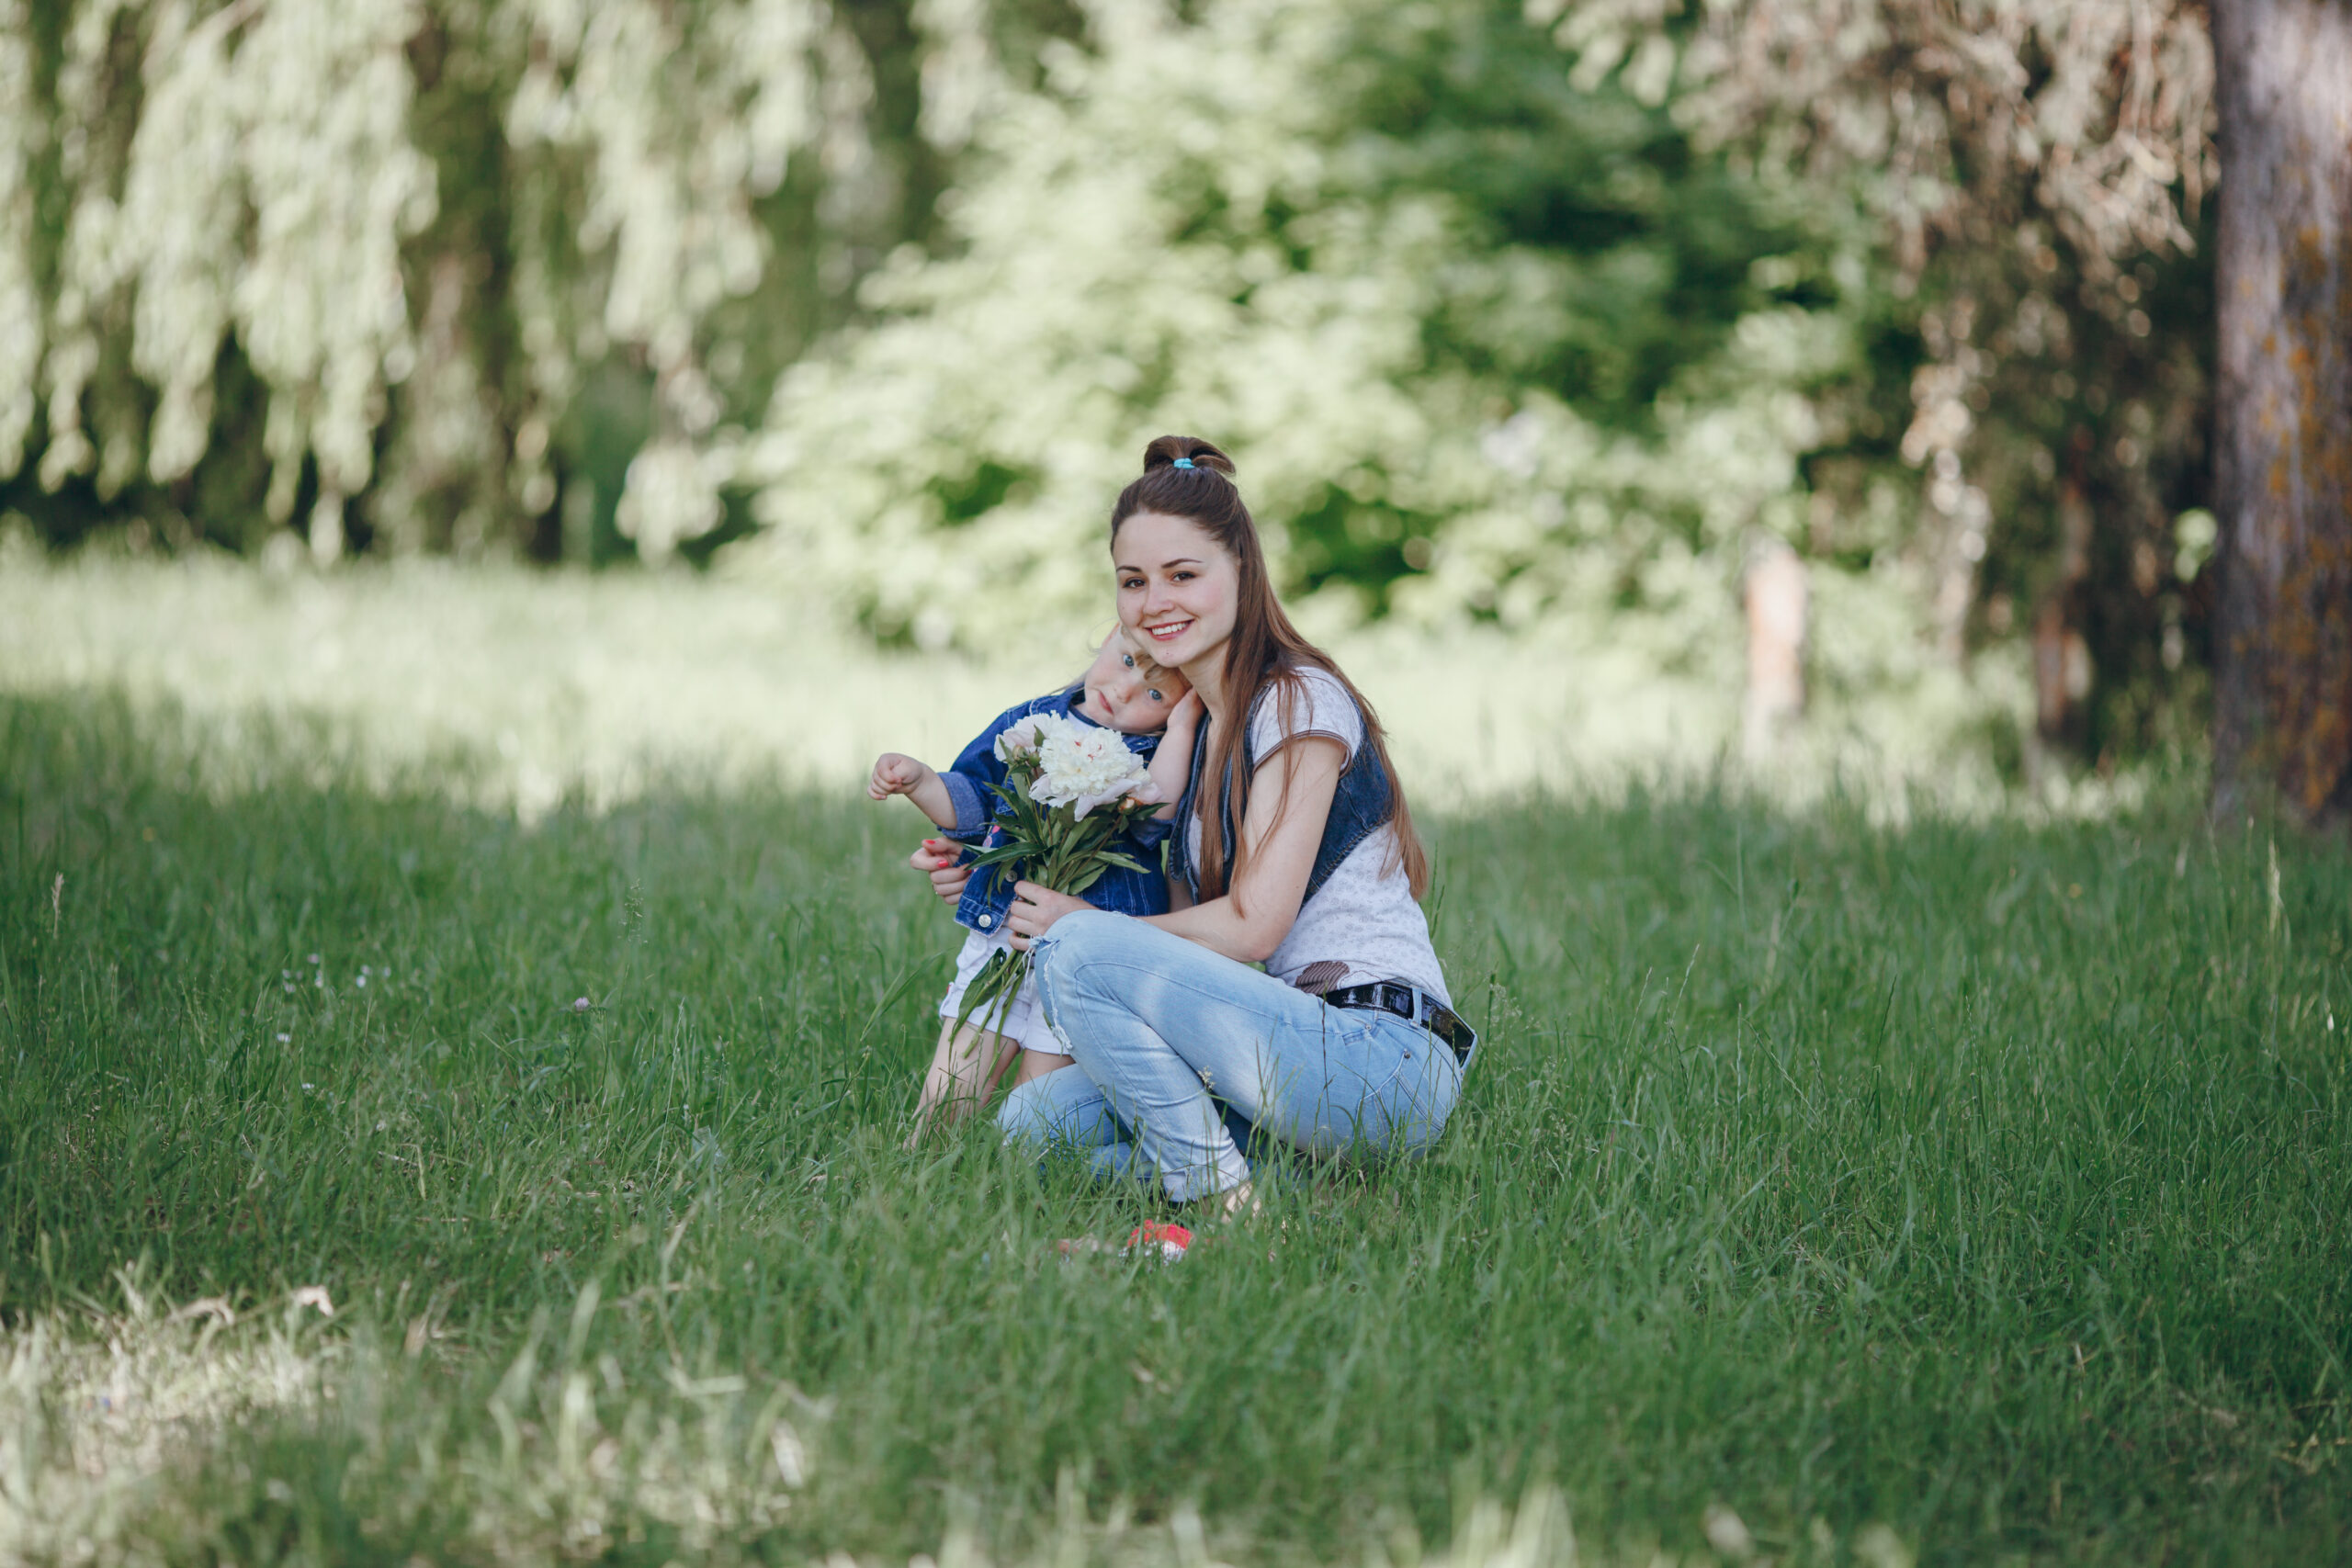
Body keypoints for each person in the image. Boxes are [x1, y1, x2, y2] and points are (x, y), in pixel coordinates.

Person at [957, 436, 1476, 1216]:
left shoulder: (1299, 700)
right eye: (1133, 581)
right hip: (1266, 1051)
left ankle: (1222, 1204)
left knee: (1076, 946)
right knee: (1034, 1126)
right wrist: (985, 856)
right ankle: (1314, 1190)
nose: (1154, 601)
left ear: (1242, 569)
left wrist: (1081, 928)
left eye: (1183, 574)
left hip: (1376, 1057)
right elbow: (1160, 925)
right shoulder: (1193, 742)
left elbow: (1254, 925)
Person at [872, 630, 1202, 1138]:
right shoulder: (1031, 723)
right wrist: (920, 782)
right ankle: (918, 1166)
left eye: (1158, 695)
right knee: (949, 1091)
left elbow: (1154, 816)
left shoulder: (1155, 754)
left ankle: (1010, 1180)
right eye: (1128, 659)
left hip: (1081, 953)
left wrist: (1180, 730)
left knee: (1034, 1114)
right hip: (1005, 932)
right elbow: (974, 800)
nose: (1127, 689)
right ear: (1111, 635)